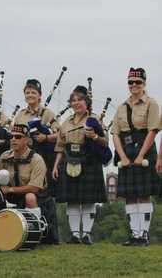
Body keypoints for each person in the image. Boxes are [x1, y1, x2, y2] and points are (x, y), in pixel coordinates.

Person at [52, 85, 108, 245]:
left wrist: (95, 136)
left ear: (86, 102)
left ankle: (87, 235)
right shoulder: (66, 122)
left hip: (89, 160)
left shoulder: (95, 119)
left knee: (89, 200)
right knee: (73, 200)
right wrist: (56, 166)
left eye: (79, 100)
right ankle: (75, 235)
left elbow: (105, 143)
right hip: (68, 160)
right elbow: (60, 146)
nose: (76, 103)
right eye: (73, 100)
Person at [111, 67, 160, 246]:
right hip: (126, 149)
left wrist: (141, 155)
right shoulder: (121, 107)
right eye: (130, 82)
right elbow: (115, 133)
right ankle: (134, 233)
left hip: (144, 148)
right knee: (130, 195)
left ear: (144, 84)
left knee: (144, 194)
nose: (134, 85)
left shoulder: (151, 104)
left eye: (137, 82)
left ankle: (143, 235)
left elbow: (153, 130)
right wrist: (123, 156)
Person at [0, 124, 59, 244]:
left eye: (17, 137)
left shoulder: (36, 159)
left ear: (26, 139)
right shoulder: (5, 156)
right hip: (11, 195)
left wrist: (10, 190)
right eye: (11, 136)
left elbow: (34, 188)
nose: (13, 139)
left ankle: (35, 234)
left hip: (37, 198)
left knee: (30, 196)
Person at [14, 79, 60, 198]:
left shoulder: (47, 113)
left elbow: (60, 135)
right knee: (24, 192)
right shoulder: (20, 115)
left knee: (43, 193)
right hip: (22, 159)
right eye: (27, 93)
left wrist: (45, 137)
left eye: (33, 92)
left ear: (39, 95)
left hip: (42, 157)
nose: (30, 95)